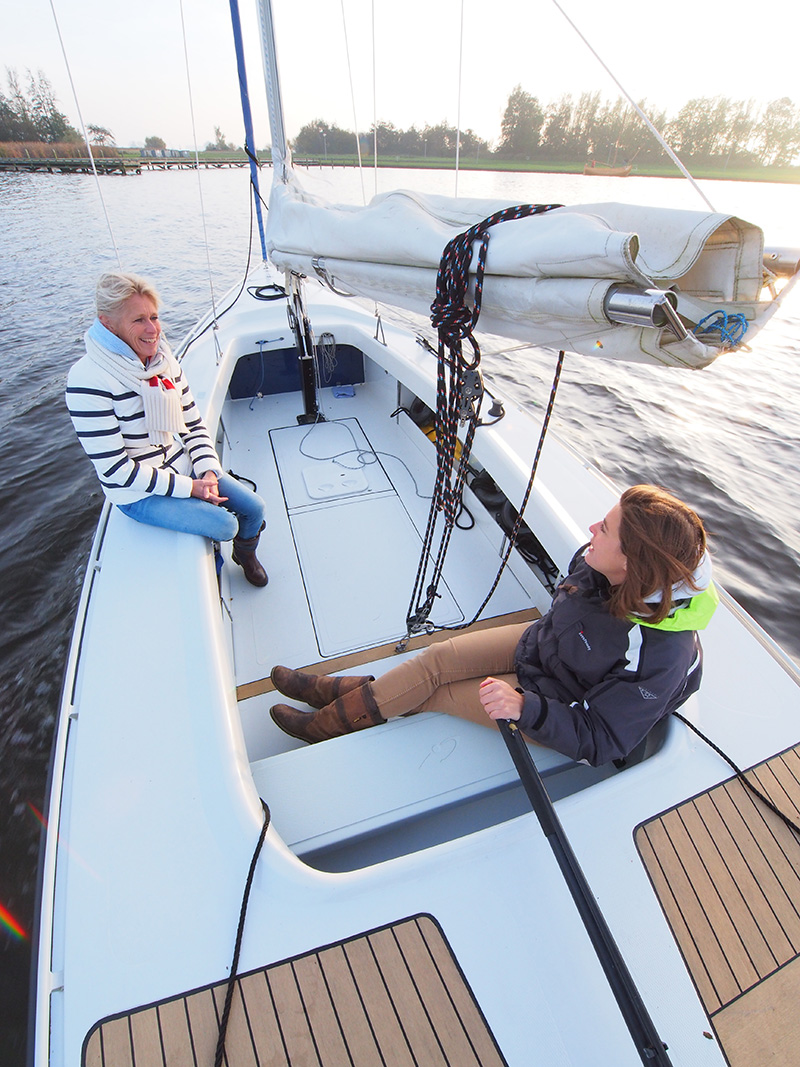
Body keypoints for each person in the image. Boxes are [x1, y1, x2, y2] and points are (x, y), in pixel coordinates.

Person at [269, 485, 718, 766]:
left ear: (632, 563)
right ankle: (334, 695)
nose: (591, 529)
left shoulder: (658, 655)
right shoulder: (597, 560)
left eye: (605, 529)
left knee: (437, 695)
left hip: (556, 702)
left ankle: (323, 725)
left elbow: (603, 739)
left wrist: (526, 709)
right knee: (438, 659)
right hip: (543, 648)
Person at [66, 271, 268, 586]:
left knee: (255, 509)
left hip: (182, 467)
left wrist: (208, 473)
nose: (153, 330)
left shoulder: (164, 361)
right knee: (225, 526)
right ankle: (213, 566)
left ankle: (245, 555)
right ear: (108, 324)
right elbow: (115, 470)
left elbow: (191, 424)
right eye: (139, 321)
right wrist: (190, 489)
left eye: (155, 317)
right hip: (138, 493)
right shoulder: (87, 380)